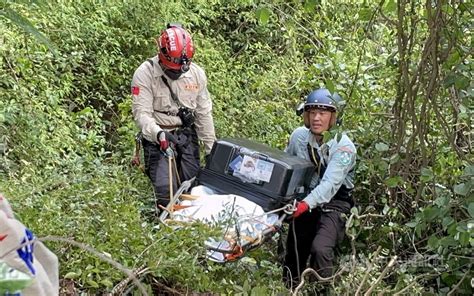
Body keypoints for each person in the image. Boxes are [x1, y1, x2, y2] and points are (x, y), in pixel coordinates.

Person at [131, 23, 216, 210]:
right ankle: (165, 226)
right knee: (164, 191)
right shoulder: (144, 74)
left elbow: (203, 114)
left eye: (180, 69)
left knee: (193, 190)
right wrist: (158, 134)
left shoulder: (197, 75)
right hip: (158, 137)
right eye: (172, 69)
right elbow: (142, 114)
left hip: (185, 135)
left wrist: (211, 151)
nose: (176, 72)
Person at [283, 88, 356, 287]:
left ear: (333, 118)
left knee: (321, 249)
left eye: (323, 113)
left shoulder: (343, 147)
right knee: (296, 244)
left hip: (336, 202)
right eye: (312, 112)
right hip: (306, 196)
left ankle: (321, 289)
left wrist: (304, 205)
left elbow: (330, 185)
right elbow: (287, 167)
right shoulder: (299, 136)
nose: (316, 118)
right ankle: (290, 286)